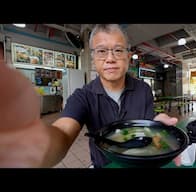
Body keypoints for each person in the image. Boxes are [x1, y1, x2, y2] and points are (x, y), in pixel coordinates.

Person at [0, 24, 180, 168]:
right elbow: (62, 132)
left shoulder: (143, 89)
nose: (110, 58)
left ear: (128, 55)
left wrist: (158, 124)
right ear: (93, 57)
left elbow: (146, 126)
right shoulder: (82, 96)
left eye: (118, 50)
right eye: (101, 51)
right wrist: (27, 142)